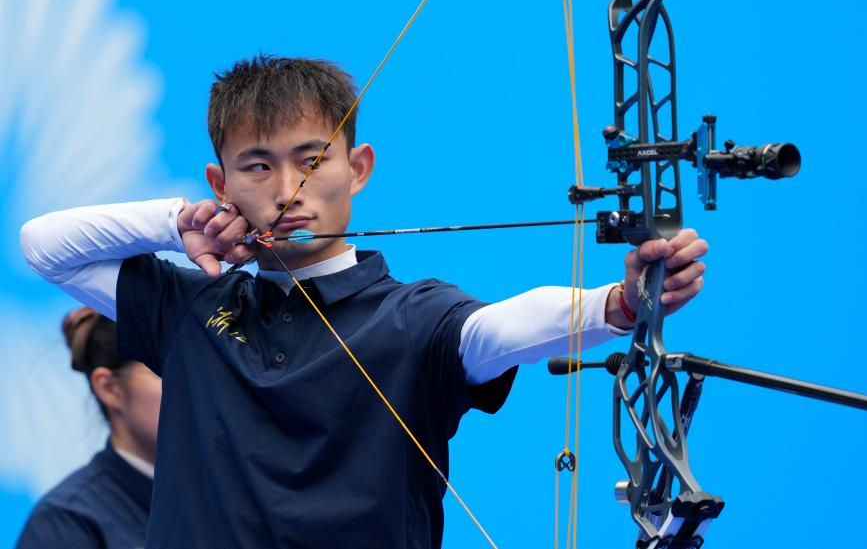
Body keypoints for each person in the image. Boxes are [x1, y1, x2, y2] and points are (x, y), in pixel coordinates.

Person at [20, 54, 708, 549]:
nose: (287, 189)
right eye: (257, 165)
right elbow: (43, 245)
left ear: (358, 168)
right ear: (220, 183)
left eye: (311, 159)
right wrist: (176, 223)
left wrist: (618, 302)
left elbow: (500, 328)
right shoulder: (189, 307)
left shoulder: (414, 318)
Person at [16, 307, 161, 549]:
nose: (193, 386)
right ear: (108, 388)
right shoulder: (65, 523)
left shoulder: (216, 496)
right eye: (165, 370)